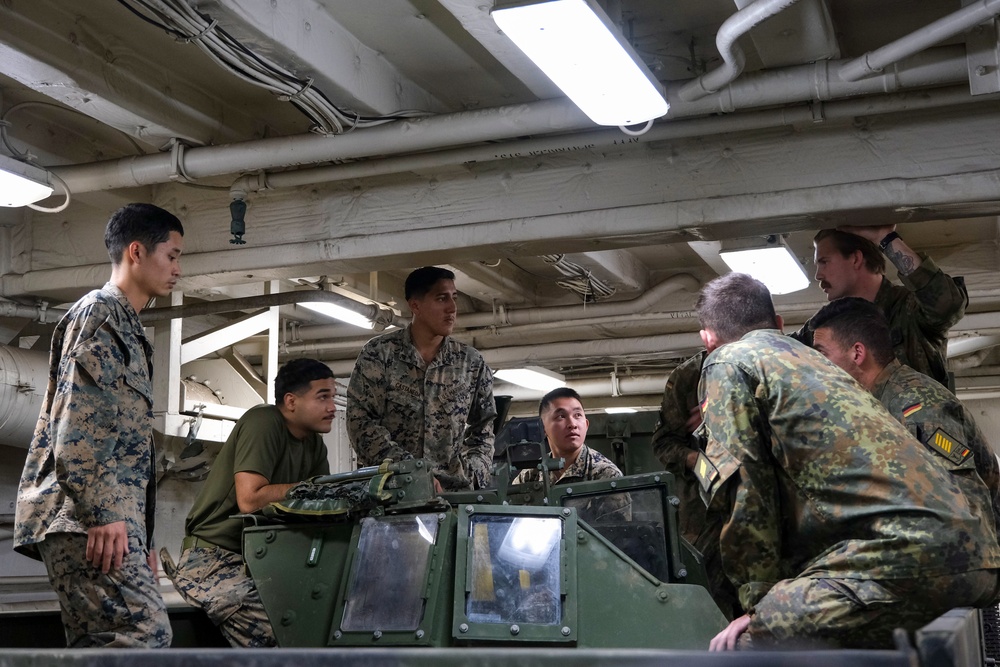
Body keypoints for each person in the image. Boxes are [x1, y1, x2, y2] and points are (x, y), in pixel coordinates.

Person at [695, 273, 1000, 651]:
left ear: (708, 340)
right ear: (777, 324)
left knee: (742, 644)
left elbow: (744, 489)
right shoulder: (818, 364)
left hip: (917, 558)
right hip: (970, 558)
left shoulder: (729, 362)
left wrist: (759, 607)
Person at [14, 203, 184, 648]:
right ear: (136, 252)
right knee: (146, 634)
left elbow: (126, 447)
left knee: (98, 645)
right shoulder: (101, 315)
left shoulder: (127, 327)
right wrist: (106, 515)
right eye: (172, 255)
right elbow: (76, 423)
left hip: (101, 520)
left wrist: (137, 531)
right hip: (83, 519)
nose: (177, 269)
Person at [169, 358, 337, 647]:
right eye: (323, 397)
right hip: (213, 559)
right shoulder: (264, 421)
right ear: (291, 401)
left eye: (332, 397)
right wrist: (310, 489)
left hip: (265, 559)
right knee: (280, 635)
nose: (332, 407)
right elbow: (250, 499)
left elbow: (320, 507)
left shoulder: (313, 444)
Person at [808, 296, 1000, 532]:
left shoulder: (916, 408)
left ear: (857, 353)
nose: (814, 366)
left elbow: (965, 507)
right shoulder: (877, 404)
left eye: (821, 354)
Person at [347, 266, 496, 491]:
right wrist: (409, 471)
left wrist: (474, 474)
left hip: (453, 495)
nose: (452, 308)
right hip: (392, 492)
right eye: (441, 298)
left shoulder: (470, 363)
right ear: (415, 305)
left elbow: (484, 428)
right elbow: (360, 423)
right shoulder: (379, 354)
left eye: (454, 298)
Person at [798, 225, 967, 388]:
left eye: (824, 262)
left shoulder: (908, 308)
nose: (818, 275)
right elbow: (778, 353)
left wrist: (886, 238)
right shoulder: (824, 326)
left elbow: (947, 304)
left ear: (856, 259)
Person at [650, 351, 738, 619]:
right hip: (705, 512)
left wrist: (721, 416)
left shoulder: (770, 361)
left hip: (761, 505)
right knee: (708, 598)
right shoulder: (690, 377)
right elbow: (663, 443)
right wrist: (694, 459)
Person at [515, 387, 629, 521]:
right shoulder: (530, 476)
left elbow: (615, 535)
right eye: (561, 416)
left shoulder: (606, 475)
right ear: (543, 428)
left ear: (586, 425)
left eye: (577, 415)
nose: (572, 424)